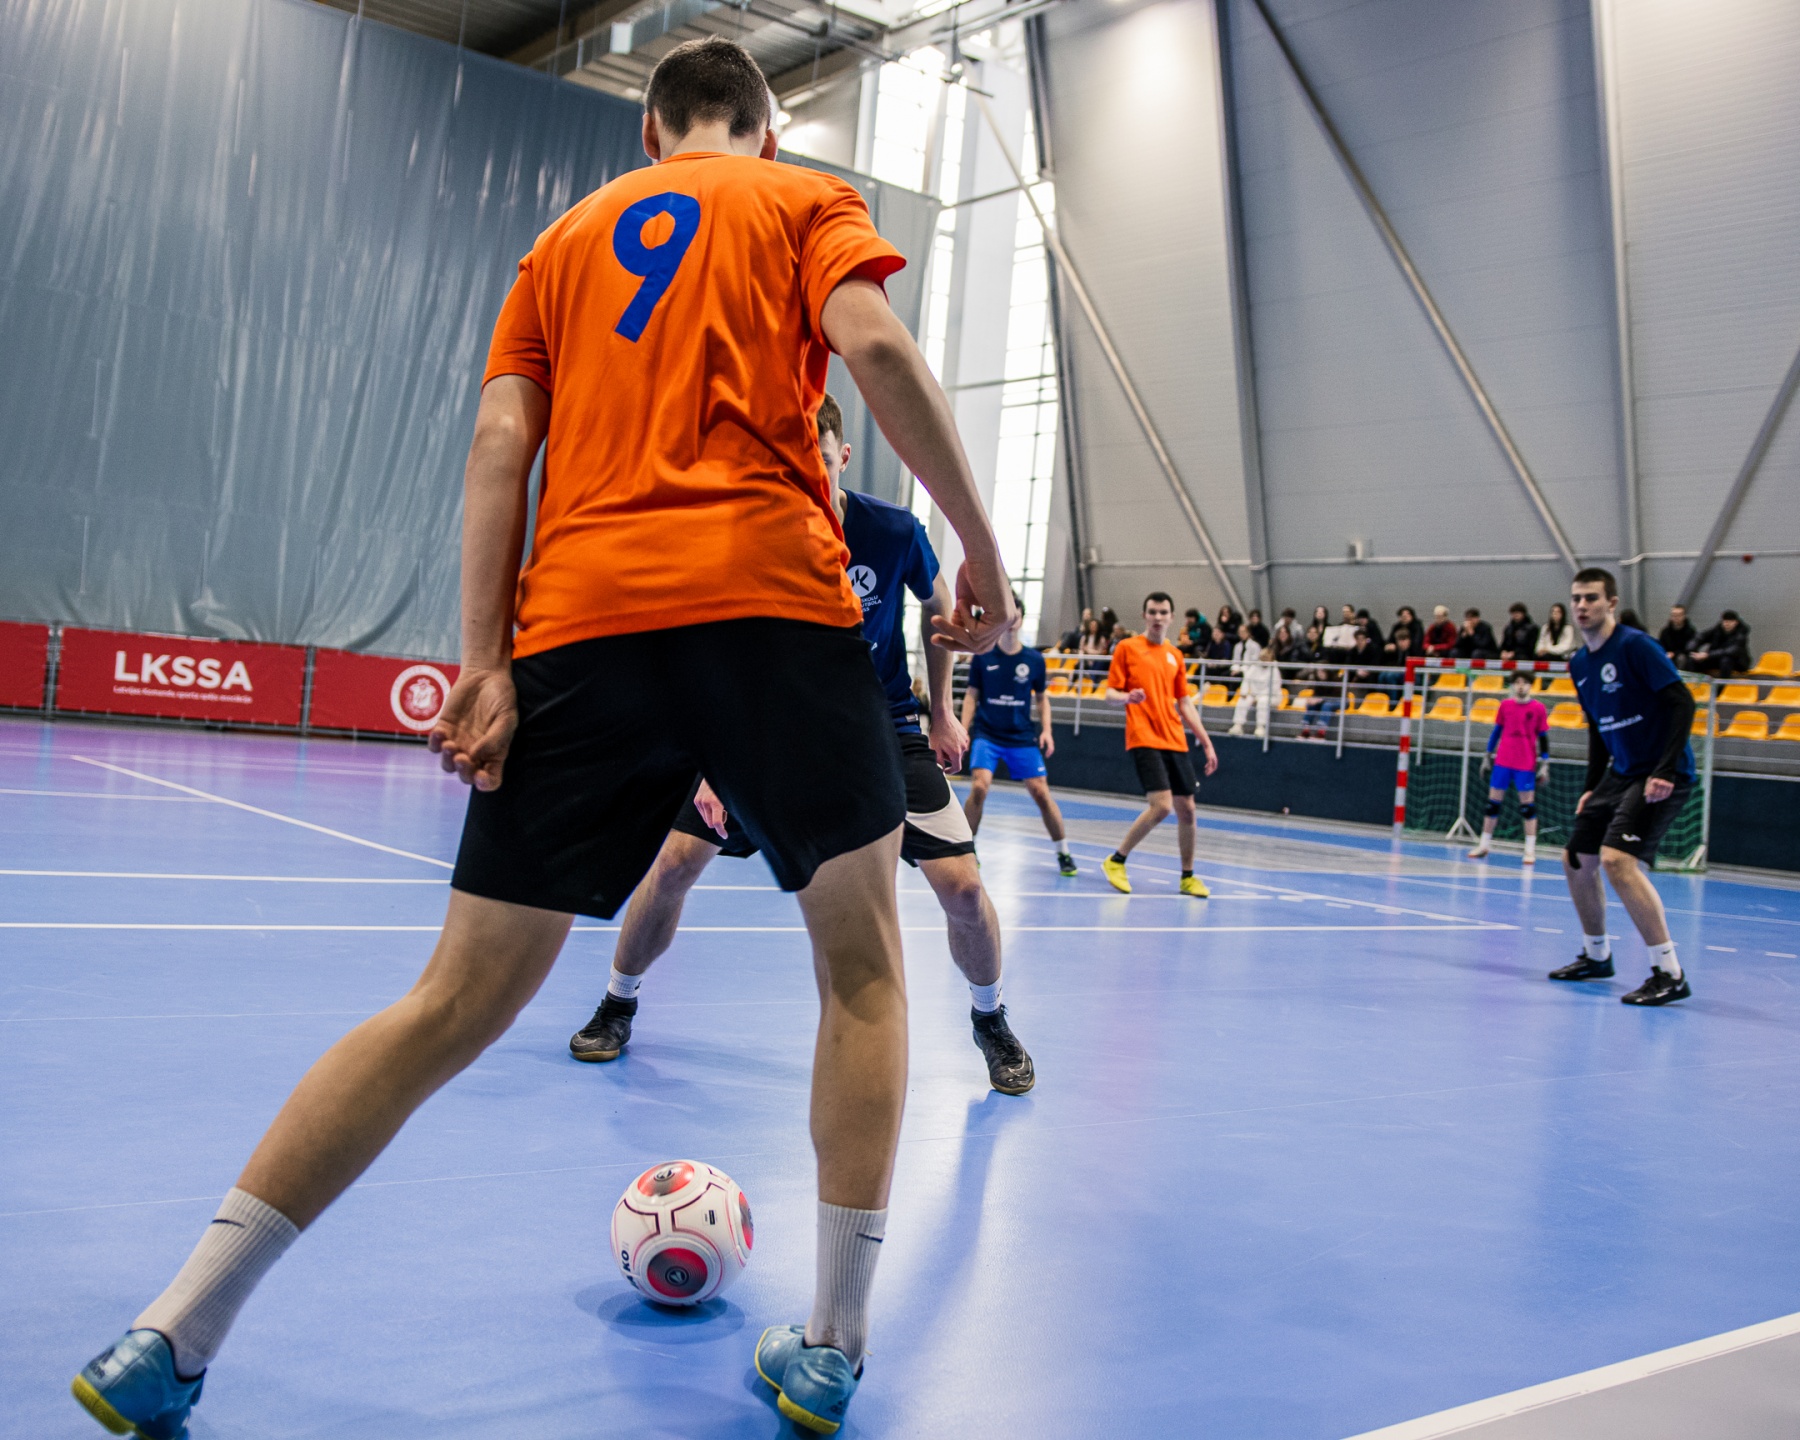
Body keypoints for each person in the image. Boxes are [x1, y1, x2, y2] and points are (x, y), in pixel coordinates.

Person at [69, 41, 1015, 1440]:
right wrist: (982, 546)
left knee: (450, 1001)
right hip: (773, 607)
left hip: (584, 624)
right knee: (866, 975)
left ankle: (175, 1327)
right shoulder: (805, 202)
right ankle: (831, 1346)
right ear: (765, 130)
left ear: (650, 133)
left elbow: (499, 448)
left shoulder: (560, 247)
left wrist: (484, 664)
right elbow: (873, 349)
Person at [570, 393, 1035, 1100]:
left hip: (883, 732)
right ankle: (617, 1002)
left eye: (818, 459)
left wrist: (941, 710)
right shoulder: (755, 533)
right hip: (768, 732)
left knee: (965, 890)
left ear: (842, 456)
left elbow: (939, 610)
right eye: (793, 460)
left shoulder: (894, 531)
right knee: (673, 866)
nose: (807, 473)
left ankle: (991, 1019)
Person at [1550, 568, 1696, 1006]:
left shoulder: (1636, 646)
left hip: (1661, 771)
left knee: (1617, 861)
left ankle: (1669, 973)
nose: (1582, 606)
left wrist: (1665, 770)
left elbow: (1682, 702)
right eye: (1576, 598)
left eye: (1591, 598)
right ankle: (1596, 956)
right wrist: (1592, 786)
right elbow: (1598, 729)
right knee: (1577, 859)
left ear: (1611, 603)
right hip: (1621, 772)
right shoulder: (1579, 664)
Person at [1099, 593, 1220, 896]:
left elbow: (1185, 703)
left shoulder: (1175, 655)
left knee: (1187, 810)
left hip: (1175, 738)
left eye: (1163, 612)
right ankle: (1116, 860)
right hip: (1144, 736)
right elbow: (1110, 694)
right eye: (1152, 611)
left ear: (1171, 617)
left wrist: (1206, 742)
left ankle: (1187, 877)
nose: (1157, 617)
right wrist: (1127, 697)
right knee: (1162, 806)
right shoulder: (1127, 648)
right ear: (1145, 615)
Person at [960, 594, 1076, 876]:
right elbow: (972, 696)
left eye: (1016, 615)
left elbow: (1042, 699)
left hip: (1021, 737)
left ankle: (1063, 852)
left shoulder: (1034, 660)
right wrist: (963, 729)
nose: (1011, 621)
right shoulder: (983, 655)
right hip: (988, 734)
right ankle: (966, 849)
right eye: (1006, 615)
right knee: (979, 787)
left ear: (1021, 620)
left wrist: (1047, 731)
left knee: (1041, 792)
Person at [1466, 672, 1550, 864]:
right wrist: (1487, 756)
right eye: (1517, 682)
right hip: (1503, 761)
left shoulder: (1538, 708)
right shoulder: (1505, 706)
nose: (1521, 686)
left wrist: (1545, 764)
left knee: (1527, 807)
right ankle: (1484, 845)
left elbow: (1543, 737)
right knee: (1492, 804)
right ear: (1512, 685)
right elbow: (1496, 731)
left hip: (1525, 763)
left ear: (1531, 685)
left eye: (1525, 683)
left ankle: (1530, 850)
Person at [1228, 620, 1279, 738]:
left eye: (1266, 658)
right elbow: (1247, 679)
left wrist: (1259, 696)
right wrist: (1245, 692)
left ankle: (1260, 727)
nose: (1264, 660)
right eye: (1262, 658)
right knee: (1242, 700)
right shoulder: (1255, 666)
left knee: (1262, 702)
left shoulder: (1274, 670)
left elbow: (1275, 688)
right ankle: (1238, 725)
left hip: (1269, 696)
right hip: (1255, 694)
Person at [1687, 610, 1752, 677]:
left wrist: (1708, 655)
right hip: (1716, 658)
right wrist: (1691, 649)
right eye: (1725, 621)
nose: (1727, 624)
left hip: (1737, 662)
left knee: (1726, 660)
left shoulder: (1741, 635)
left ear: (1736, 622)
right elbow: (1700, 637)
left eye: (1730, 622)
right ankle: (1693, 681)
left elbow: (1731, 651)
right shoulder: (1717, 630)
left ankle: (1723, 683)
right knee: (1694, 659)